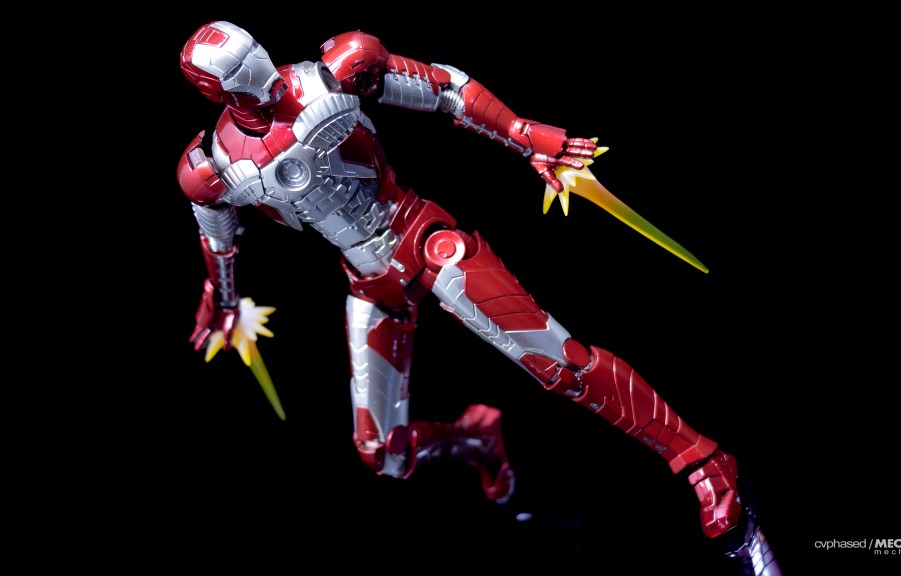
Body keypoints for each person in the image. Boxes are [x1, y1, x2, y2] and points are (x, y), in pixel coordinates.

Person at [177, 21, 779, 574]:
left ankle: (704, 462)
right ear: (214, 91)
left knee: (558, 363)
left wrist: (521, 134)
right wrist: (222, 299)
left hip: (422, 242)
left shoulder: (332, 74)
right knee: (383, 454)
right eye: (241, 73)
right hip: (368, 282)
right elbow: (220, 240)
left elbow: (446, 89)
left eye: (255, 56)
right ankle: (477, 441)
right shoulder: (213, 167)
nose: (261, 74)